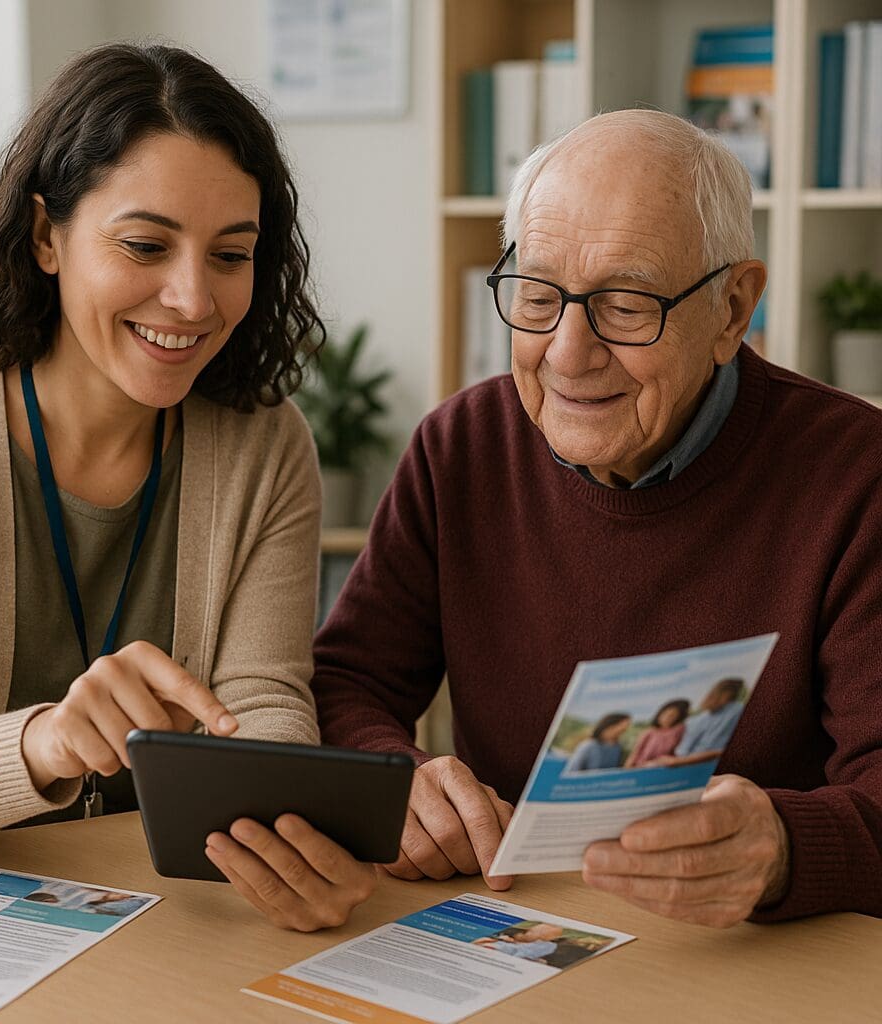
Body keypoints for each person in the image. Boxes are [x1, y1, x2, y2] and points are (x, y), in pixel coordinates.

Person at [312, 108, 882, 928]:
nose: (568, 352)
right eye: (538, 296)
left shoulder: (858, 476)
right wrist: (391, 775)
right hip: (514, 931)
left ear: (732, 309)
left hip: (757, 959)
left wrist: (785, 847)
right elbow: (346, 682)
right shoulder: (460, 447)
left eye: (626, 304)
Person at [0, 43, 374, 932]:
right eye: (145, 245)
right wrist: (47, 739)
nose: (191, 299)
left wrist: (289, 829)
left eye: (230, 254)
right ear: (46, 236)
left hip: (173, 915)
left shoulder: (267, 448)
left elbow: (267, 704)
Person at [624, 699, 690, 768]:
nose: (666, 718)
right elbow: (635, 753)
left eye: (672, 716)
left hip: (662, 767)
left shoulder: (678, 730)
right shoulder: (649, 732)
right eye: (664, 714)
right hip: (641, 767)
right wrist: (627, 770)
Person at [565, 713, 631, 772]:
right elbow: (572, 771)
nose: (622, 733)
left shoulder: (617, 748)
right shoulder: (588, 745)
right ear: (610, 726)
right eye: (621, 730)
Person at [473, 923, 563, 961]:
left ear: (542, 937)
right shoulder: (531, 942)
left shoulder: (546, 946)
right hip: (500, 946)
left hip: (503, 952)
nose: (527, 932)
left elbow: (523, 953)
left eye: (530, 931)